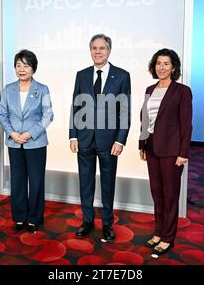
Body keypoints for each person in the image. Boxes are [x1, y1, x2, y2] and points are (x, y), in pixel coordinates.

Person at [69, 34, 131, 241]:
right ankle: (87, 221)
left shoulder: (122, 76)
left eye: (102, 48)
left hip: (109, 141)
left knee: (107, 183)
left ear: (109, 51)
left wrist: (120, 139)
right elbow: (76, 106)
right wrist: (73, 135)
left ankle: (107, 223)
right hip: (84, 138)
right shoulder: (82, 74)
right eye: (94, 48)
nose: (98, 51)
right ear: (90, 51)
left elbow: (125, 111)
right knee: (85, 182)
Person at [139, 48, 193, 257]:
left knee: (170, 196)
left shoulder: (182, 91)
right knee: (157, 194)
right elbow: (144, 120)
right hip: (151, 148)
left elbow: (186, 125)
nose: (161, 67)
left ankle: (168, 238)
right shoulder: (149, 89)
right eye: (158, 63)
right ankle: (158, 232)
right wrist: (142, 145)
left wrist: (183, 152)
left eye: (166, 64)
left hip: (172, 152)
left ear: (173, 68)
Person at [0, 50, 53, 233]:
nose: (21, 69)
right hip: (14, 142)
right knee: (17, 181)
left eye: (26, 65)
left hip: (35, 142)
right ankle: (20, 217)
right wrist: (12, 133)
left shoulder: (42, 89)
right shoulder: (8, 89)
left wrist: (31, 133)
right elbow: (2, 114)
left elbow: (48, 115)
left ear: (33, 68)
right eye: (18, 65)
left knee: (36, 181)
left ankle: (34, 218)